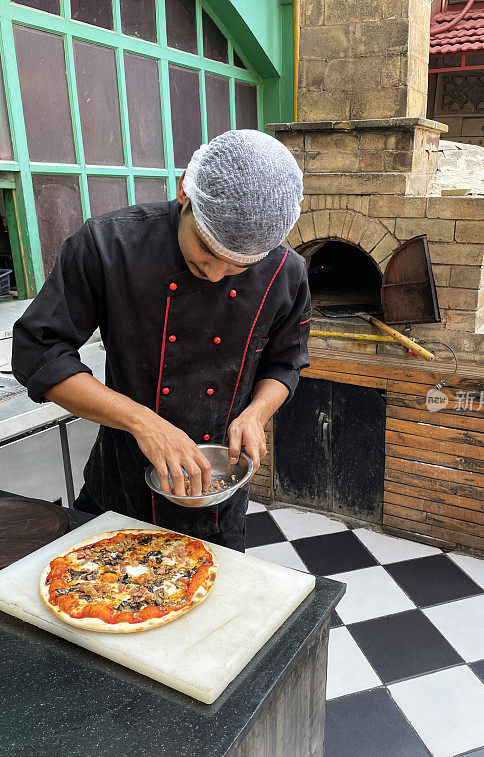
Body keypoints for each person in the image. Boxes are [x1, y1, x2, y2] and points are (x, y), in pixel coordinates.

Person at [12, 129, 311, 553]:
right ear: (184, 190)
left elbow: (285, 363)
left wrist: (257, 414)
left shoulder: (287, 272)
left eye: (236, 269)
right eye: (204, 255)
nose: (213, 275)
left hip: (218, 504)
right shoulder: (108, 245)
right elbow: (39, 352)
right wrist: (143, 422)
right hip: (118, 490)